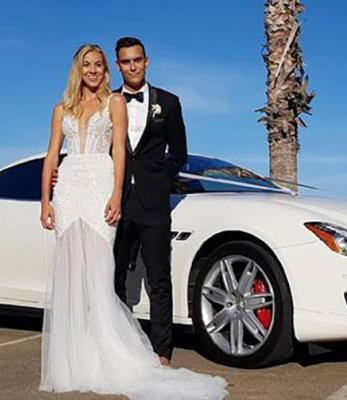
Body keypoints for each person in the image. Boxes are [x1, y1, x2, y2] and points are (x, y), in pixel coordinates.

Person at [39, 43, 227, 400]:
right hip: (87, 194)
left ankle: (160, 355)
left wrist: (151, 183)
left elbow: (158, 151)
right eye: (88, 65)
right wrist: (47, 198)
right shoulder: (76, 105)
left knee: (148, 275)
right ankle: (79, 356)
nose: (95, 70)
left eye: (100, 64)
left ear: (144, 62)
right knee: (92, 277)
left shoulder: (149, 103)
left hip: (128, 196)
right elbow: (55, 154)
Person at [112, 36, 187, 367]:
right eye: (126, 61)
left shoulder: (168, 103)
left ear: (146, 61)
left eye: (137, 60)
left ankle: (162, 354)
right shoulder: (107, 101)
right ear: (118, 65)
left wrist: (160, 181)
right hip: (114, 202)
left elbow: (179, 153)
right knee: (111, 277)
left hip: (154, 204)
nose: (132, 66)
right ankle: (114, 347)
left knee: (160, 279)